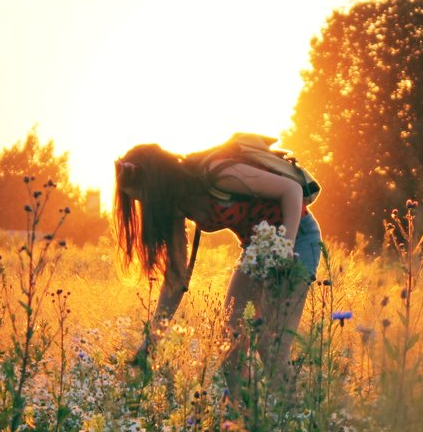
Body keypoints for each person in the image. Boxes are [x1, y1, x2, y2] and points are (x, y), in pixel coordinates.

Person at [113, 141, 323, 399]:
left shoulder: (218, 174)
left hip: (297, 237)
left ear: (156, 185)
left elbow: (291, 190)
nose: (142, 205)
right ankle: (243, 422)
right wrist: (151, 343)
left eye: (141, 197)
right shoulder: (179, 205)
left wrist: (285, 248)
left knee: (271, 343)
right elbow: (176, 279)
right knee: (230, 343)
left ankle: (293, 419)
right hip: (256, 248)